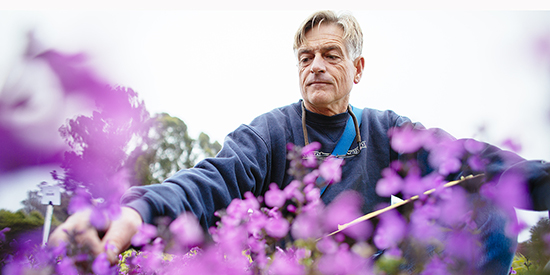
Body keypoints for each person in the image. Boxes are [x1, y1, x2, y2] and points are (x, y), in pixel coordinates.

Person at [50, 10, 550, 273]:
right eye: (305, 57)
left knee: (488, 209)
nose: (315, 65)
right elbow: (210, 180)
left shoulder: (386, 129)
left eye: (331, 55)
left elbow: (471, 161)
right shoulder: (271, 131)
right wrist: (134, 211)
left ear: (356, 68)